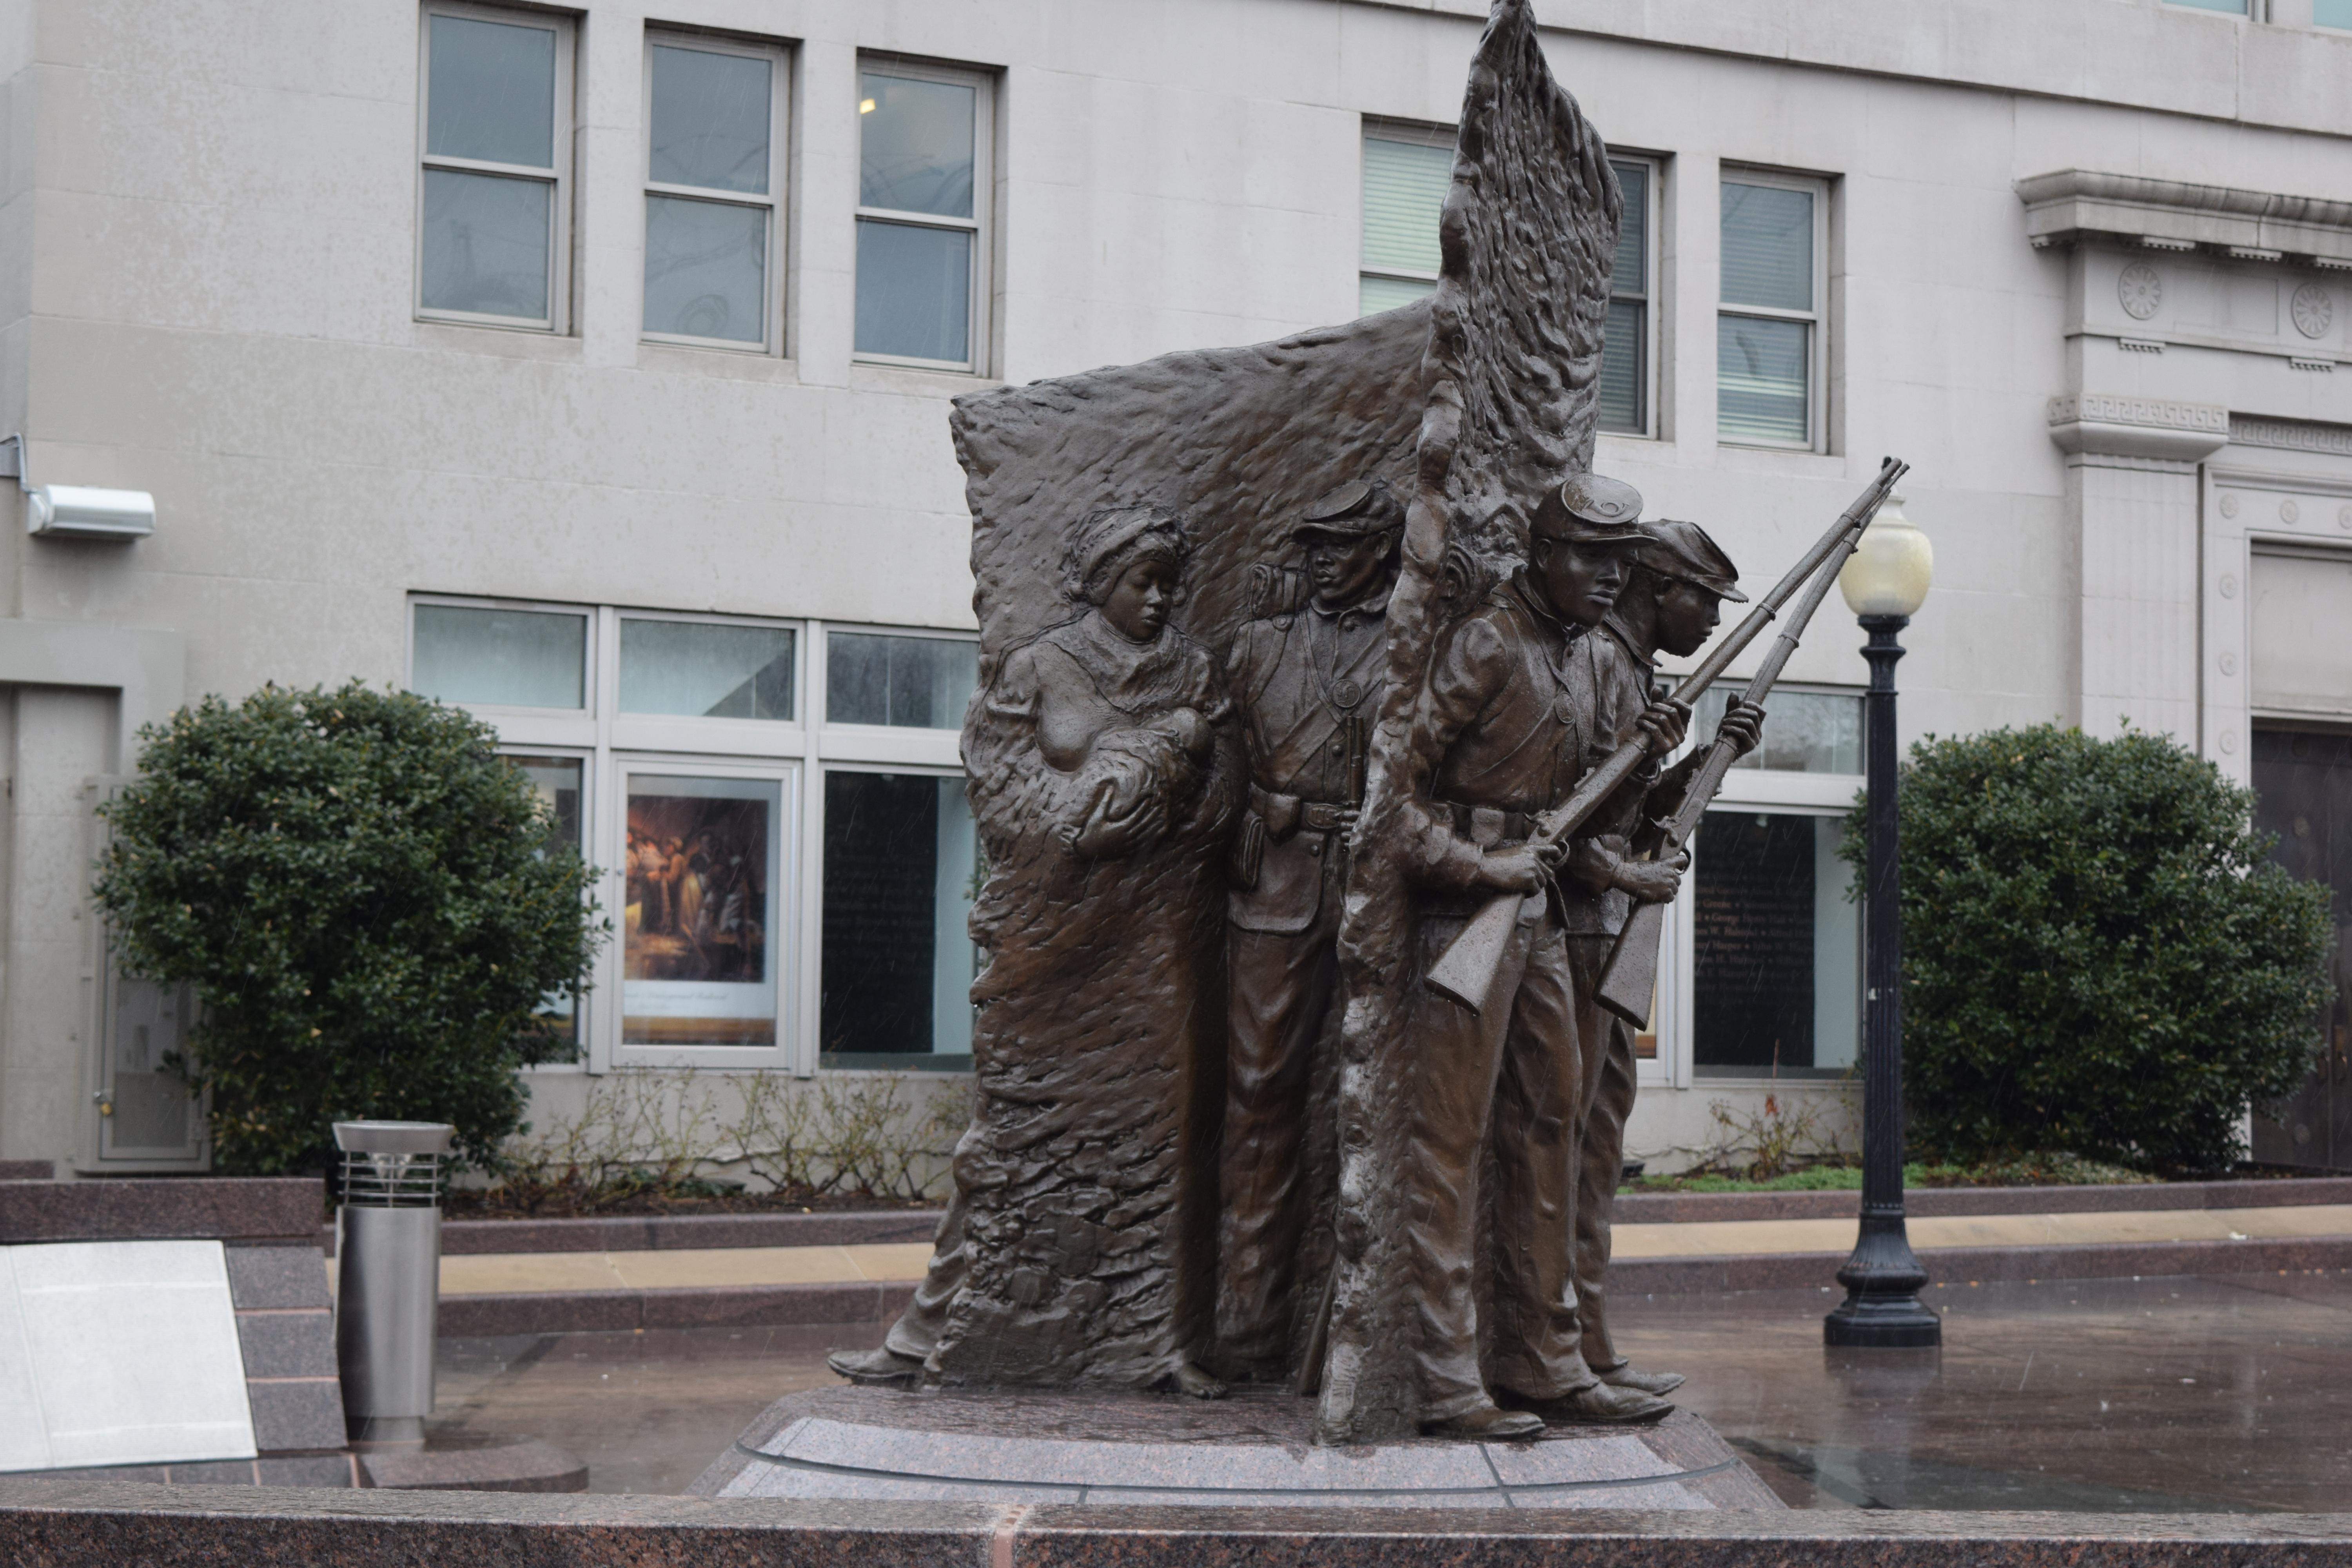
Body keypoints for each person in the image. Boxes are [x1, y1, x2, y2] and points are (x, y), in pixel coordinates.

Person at [830, 503, 1239, 1397]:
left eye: (1171, 582)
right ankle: (932, 1333)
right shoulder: (1039, 665)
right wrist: (1073, 826)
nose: (1162, 598)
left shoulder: (1196, 672)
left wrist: (1167, 801)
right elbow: (1001, 779)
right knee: (1011, 1130)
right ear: (1101, 583)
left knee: (1163, 1138)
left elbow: (1226, 798)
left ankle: (1163, 1338)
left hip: (1154, 941)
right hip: (1053, 935)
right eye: (1143, 581)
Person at [1388, 472, 1686, 1439]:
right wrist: (1481, 864)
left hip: (1545, 917)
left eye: (1622, 560)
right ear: (1542, 553)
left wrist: (1651, 759)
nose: (1612, 576)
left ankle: (1544, 1355)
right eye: (1593, 557)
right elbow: (1388, 799)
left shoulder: (1597, 658)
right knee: (1451, 1145)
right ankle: (1441, 1372)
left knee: (1549, 1129)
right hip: (1463, 918)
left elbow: (1594, 818)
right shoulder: (1484, 639)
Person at [1558, 518, 1762, 1398]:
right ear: (1656, 587)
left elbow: (1630, 810)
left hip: (1604, 926)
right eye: (1703, 599)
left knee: (1598, 1144)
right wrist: (1629, 872)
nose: (1713, 618)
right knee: (1569, 1144)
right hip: (1571, 929)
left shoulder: (1639, 674)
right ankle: (1566, 1339)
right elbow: (1563, 818)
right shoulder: (1597, 662)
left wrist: (1715, 755)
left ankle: (1591, 1337)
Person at [1217, 477, 1399, 1382]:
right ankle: (1247, 1323)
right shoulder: (1257, 647)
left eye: (1342, 545)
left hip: (1377, 891)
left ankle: (1353, 1332)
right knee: (1259, 1096)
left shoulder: (1421, 648)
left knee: (1369, 1099)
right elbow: (1211, 769)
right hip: (1278, 884)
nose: (1325, 560)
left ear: (1382, 547)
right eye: (1315, 546)